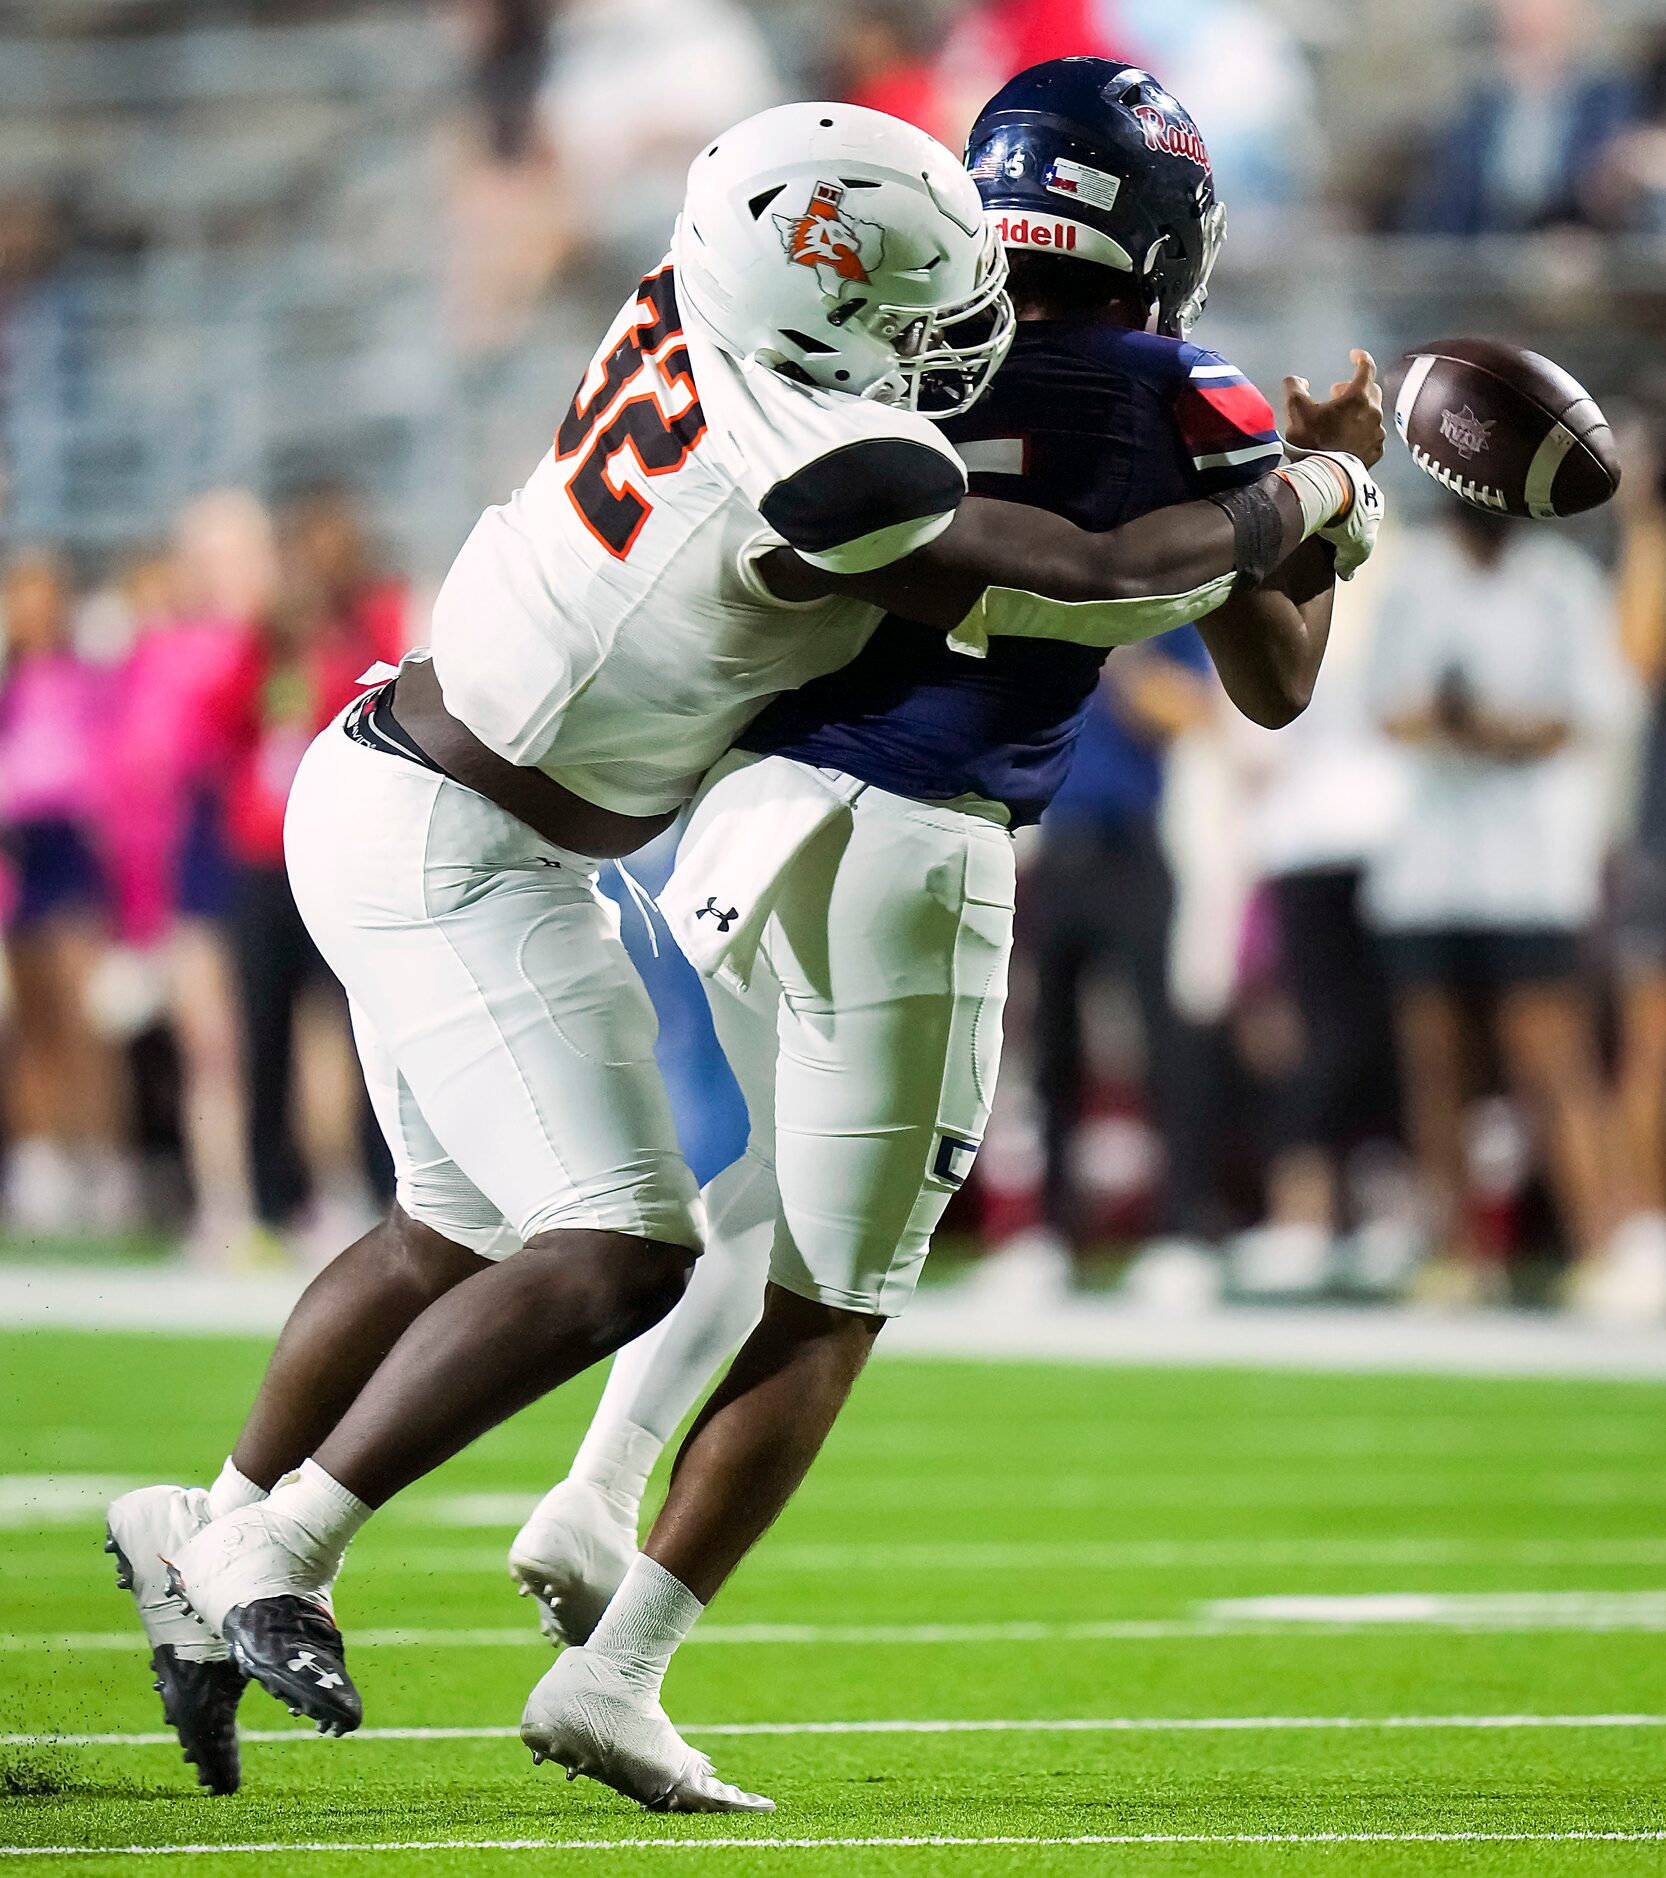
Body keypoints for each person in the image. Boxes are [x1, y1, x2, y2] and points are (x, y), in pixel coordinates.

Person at [105, 99, 1374, 1807]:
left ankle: (215, 1517)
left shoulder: (700, 287)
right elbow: (1081, 574)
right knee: (631, 1243)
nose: (951, 334)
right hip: (474, 836)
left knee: (452, 1227)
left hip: (443, 785)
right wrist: (1322, 488)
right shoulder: (829, 457)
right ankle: (289, 1554)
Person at [505, 62, 1382, 1805]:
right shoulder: (1181, 380)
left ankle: (594, 1491)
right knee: (843, 1297)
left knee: (751, 1196)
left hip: (742, 813)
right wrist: (1330, 485)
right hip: (924, 845)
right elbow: (1275, 682)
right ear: (1159, 221)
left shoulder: (881, 346)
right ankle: (621, 1673)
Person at [1365, 494, 1630, 1304]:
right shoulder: (1415, 583)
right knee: (1437, 1066)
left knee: (1549, 1058)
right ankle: (1456, 1255)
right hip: (1431, 862)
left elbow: (1590, 712)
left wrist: (1493, 731)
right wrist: (1448, 721)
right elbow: (1386, 710)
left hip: (1530, 862)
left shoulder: (1561, 583)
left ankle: (1603, 1248)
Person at [0, 552, 130, 1235]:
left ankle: (103, 1161)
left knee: (85, 1023)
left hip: (73, 846)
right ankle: (42, 1159)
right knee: (35, 1021)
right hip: (20, 850)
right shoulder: (9, 684)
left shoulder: (87, 680)